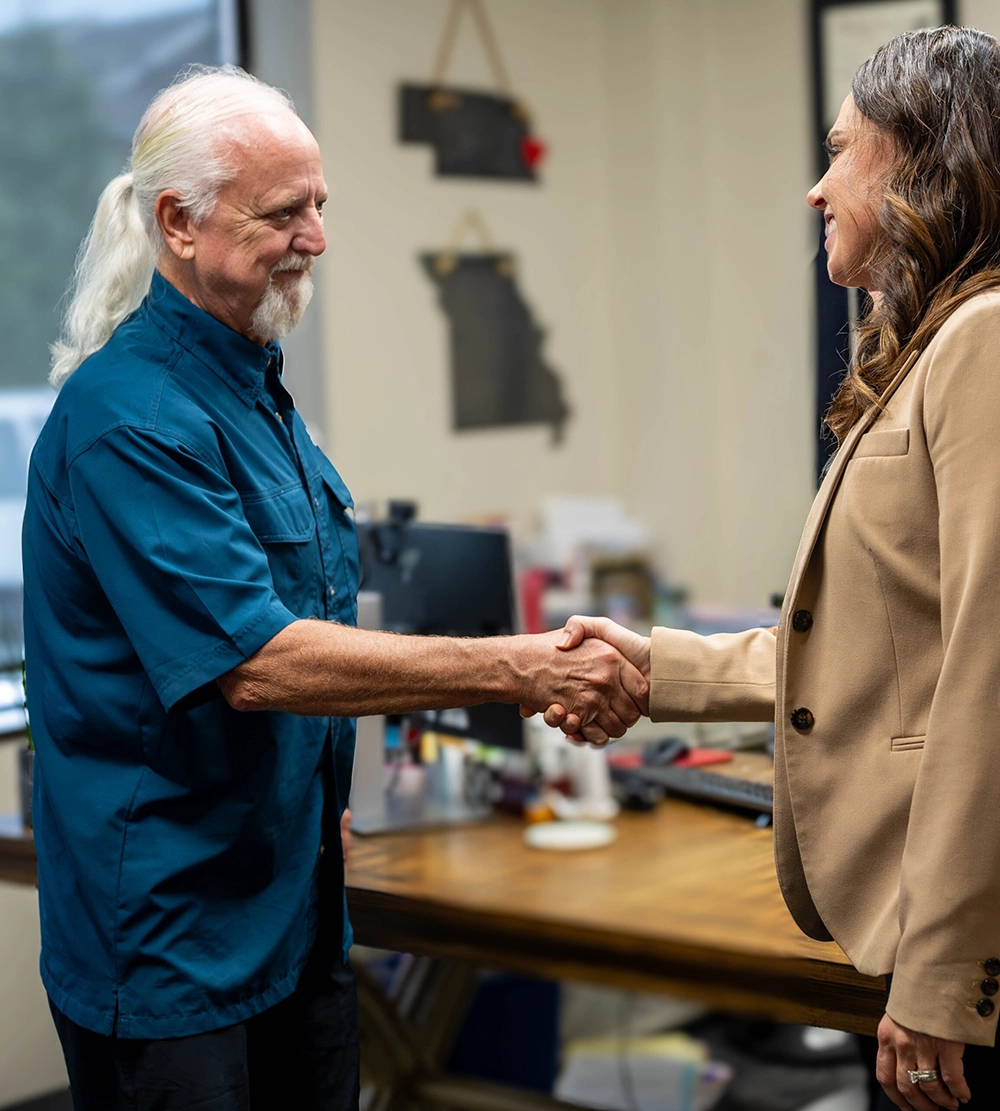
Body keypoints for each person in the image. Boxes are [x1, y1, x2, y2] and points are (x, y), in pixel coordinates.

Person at [22, 67, 648, 1111]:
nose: (315, 237)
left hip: (293, 910)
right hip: (173, 942)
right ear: (178, 222)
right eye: (282, 213)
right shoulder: (132, 418)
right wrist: (521, 667)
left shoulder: (251, 387)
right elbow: (258, 662)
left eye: (319, 205)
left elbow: (309, 616)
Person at [540, 24, 1000, 1111]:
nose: (815, 187)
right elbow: (873, 646)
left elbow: (985, 675)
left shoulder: (983, 339)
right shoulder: (936, 343)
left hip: (951, 951)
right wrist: (659, 667)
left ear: (922, 164)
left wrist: (941, 975)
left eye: (839, 151)